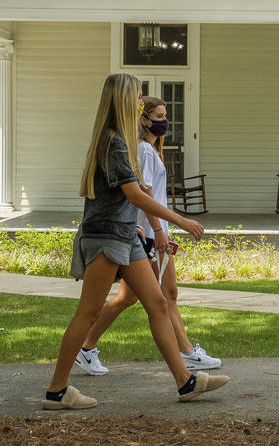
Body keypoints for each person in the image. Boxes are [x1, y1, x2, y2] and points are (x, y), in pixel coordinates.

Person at [42, 73, 228, 409]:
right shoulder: (114, 142)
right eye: (139, 96)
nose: (142, 101)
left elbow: (126, 196)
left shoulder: (121, 141)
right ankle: (56, 391)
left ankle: (186, 383)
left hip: (125, 233)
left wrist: (139, 227)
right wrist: (180, 221)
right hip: (106, 237)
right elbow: (136, 194)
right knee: (88, 312)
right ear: (124, 100)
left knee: (157, 303)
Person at [75, 96, 221, 376]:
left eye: (165, 116)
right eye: (158, 117)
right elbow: (145, 194)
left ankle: (87, 346)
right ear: (143, 120)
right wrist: (158, 231)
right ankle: (187, 353)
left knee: (129, 299)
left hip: (147, 233)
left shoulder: (150, 150)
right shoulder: (142, 150)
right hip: (146, 234)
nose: (164, 122)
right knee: (166, 296)